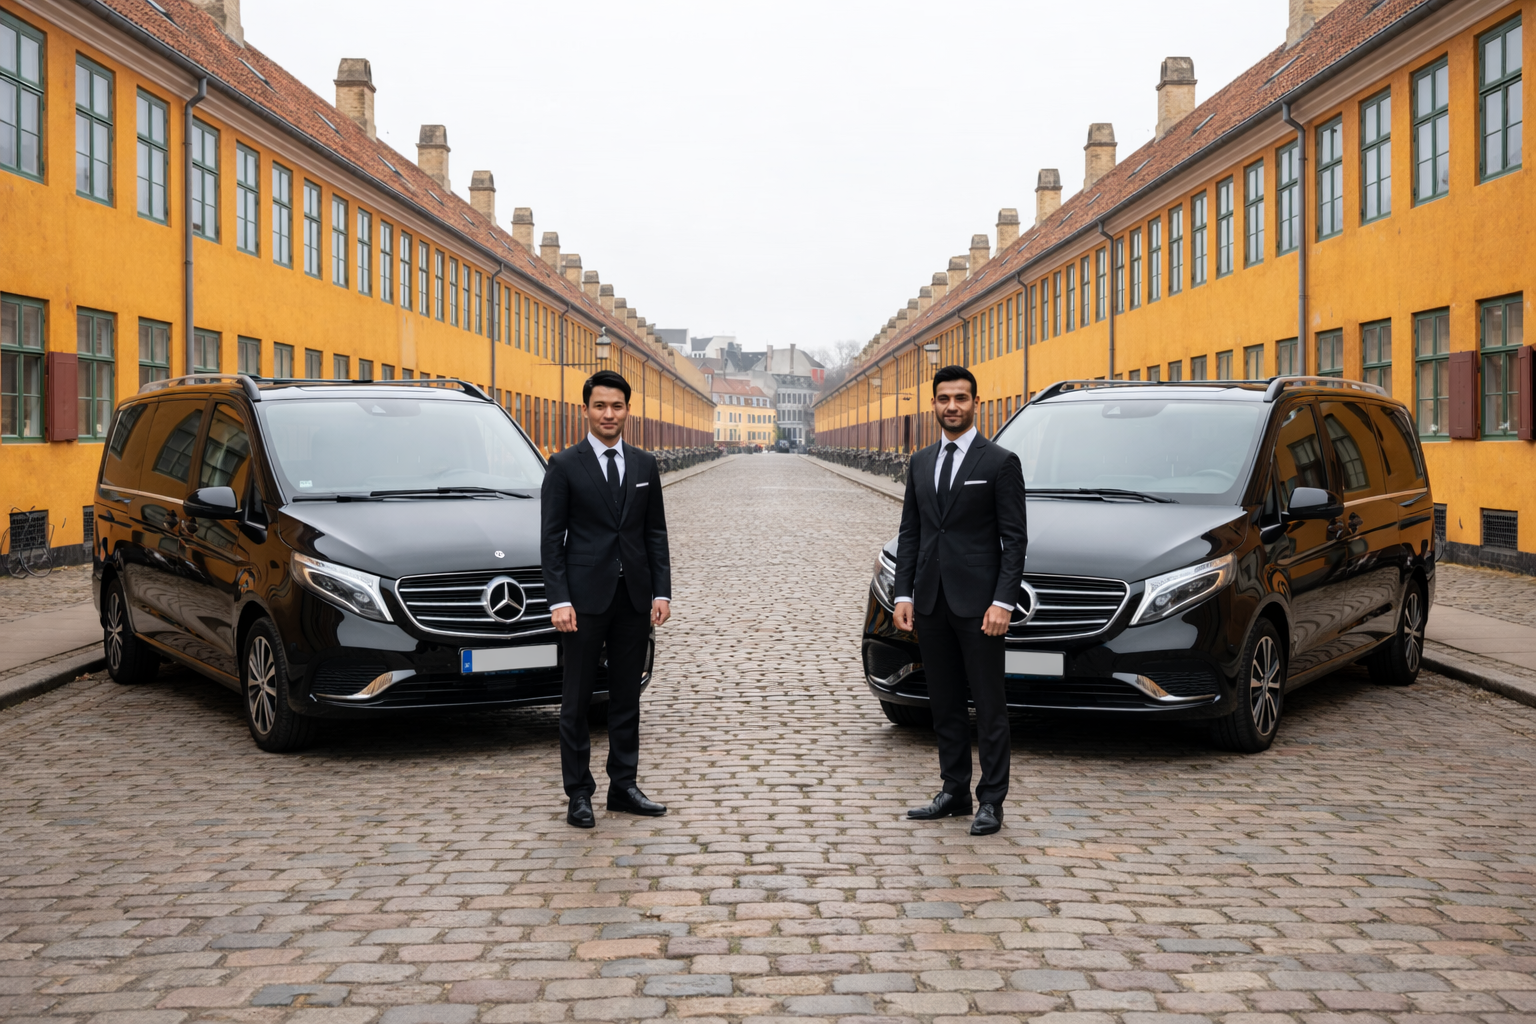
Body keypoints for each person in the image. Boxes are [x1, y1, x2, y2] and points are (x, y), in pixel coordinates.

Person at [891, 365, 1027, 836]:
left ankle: (992, 800)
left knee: (988, 704)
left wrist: (1003, 603)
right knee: (944, 702)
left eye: (961, 398)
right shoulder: (921, 461)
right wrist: (903, 592)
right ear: (933, 404)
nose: (953, 406)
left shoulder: (999, 462)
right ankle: (953, 792)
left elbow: (1015, 540)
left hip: (980, 607)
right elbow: (912, 532)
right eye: (944, 398)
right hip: (930, 602)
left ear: (975, 404)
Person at [541, 370, 672, 828]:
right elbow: (551, 540)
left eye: (616, 407)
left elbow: (654, 533)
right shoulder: (564, 466)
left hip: (633, 599)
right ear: (586, 410)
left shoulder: (643, 465)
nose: (608, 414)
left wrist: (661, 590)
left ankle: (624, 786)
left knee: (625, 698)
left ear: (627, 411)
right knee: (576, 701)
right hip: (582, 602)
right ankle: (579, 793)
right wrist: (558, 600)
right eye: (600, 406)